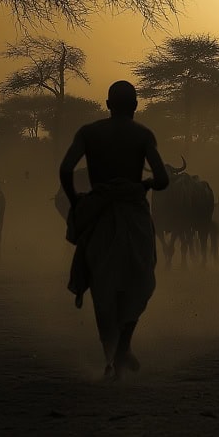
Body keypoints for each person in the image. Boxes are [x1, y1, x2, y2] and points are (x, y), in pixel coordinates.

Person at [59, 80, 169, 380]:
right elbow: (162, 179)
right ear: (135, 106)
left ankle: (112, 353)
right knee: (142, 277)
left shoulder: (88, 132)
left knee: (97, 282)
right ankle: (123, 348)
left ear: (107, 105)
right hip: (133, 214)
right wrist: (143, 185)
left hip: (99, 210)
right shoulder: (143, 135)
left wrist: (76, 202)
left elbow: (66, 169)